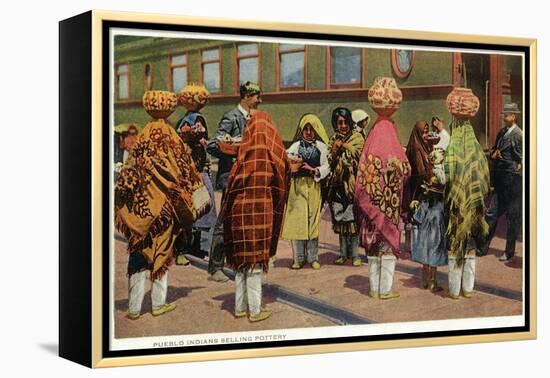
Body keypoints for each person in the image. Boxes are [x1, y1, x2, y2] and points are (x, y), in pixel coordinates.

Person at [115, 114, 211, 320]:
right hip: (165, 212)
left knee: (138, 256)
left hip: (140, 213)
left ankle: (133, 308)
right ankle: (158, 304)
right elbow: (188, 173)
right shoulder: (173, 142)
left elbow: (125, 181)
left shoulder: (141, 142)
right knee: (163, 253)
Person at [220, 111, 289, 322]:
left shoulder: (242, 157)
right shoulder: (270, 155)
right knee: (256, 263)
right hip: (261, 209)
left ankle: (240, 307)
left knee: (241, 263)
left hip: (239, 212)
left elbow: (229, 188)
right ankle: (255, 310)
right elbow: (282, 173)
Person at [354, 77, 410, 300]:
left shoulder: (374, 132)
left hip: (370, 205)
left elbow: (365, 168)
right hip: (387, 206)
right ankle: (385, 289)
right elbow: (402, 168)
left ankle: (373, 288)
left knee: (373, 249)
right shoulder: (388, 132)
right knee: (386, 248)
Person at [206, 81, 262, 282]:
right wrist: (232, 143)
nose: (259, 100)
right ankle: (215, 268)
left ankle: (241, 263)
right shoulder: (232, 117)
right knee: (225, 222)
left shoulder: (253, 118)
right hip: (231, 178)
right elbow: (214, 144)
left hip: (248, 178)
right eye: (256, 96)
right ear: (247, 96)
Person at [444, 88, 490, 299]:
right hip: (473, 207)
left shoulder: (452, 148)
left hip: (455, 207)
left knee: (455, 244)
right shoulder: (477, 150)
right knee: (470, 245)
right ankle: (468, 289)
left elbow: (447, 176)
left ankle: (454, 290)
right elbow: (485, 179)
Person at [282, 114, 331, 270]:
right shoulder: (296, 146)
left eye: (311, 129)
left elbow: (327, 166)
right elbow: (286, 158)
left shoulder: (322, 148)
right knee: (298, 221)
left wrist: (315, 170)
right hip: (297, 187)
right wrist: (291, 162)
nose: (308, 132)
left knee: (312, 222)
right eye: (306, 129)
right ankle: (298, 258)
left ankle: (313, 257)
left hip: (313, 187)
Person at [406, 121, 448, 292]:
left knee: (426, 244)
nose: (426, 136)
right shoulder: (419, 151)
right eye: (424, 133)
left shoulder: (429, 155)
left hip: (424, 205)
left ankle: (426, 280)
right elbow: (428, 177)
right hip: (431, 207)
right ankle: (431, 281)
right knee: (433, 245)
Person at [174, 112, 217, 264]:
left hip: (199, 174)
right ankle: (183, 248)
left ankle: (196, 246)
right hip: (189, 175)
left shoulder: (200, 142)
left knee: (202, 209)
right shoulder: (185, 142)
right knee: (188, 211)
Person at [482, 103, 523, 262]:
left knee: (513, 218)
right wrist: (494, 153)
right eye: (504, 114)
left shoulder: (519, 135)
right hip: (499, 182)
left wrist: (515, 168)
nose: (504, 117)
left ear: (514, 116)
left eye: (507, 115)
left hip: (512, 182)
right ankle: (482, 247)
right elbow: (493, 151)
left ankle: (509, 252)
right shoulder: (502, 132)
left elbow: (521, 160)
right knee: (491, 214)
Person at [326, 107, 364, 266]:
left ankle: (355, 255)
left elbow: (359, 155)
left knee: (353, 222)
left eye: (345, 122)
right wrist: (335, 150)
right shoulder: (333, 139)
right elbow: (330, 160)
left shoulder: (357, 137)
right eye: (339, 122)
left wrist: (345, 147)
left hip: (352, 184)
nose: (342, 125)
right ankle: (342, 254)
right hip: (338, 185)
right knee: (341, 221)